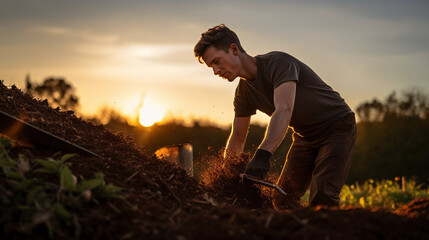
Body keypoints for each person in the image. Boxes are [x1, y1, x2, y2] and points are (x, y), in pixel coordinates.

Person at [193, 24, 356, 208]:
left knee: (323, 196)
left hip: (337, 126)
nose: (215, 71)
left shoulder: (278, 63)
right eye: (211, 67)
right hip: (305, 137)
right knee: (282, 200)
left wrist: (263, 155)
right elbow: (237, 138)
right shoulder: (243, 93)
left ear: (234, 49)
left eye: (216, 61)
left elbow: (284, 110)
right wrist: (227, 176)